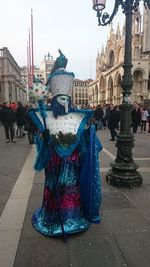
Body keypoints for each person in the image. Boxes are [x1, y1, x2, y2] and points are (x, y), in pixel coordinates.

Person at [28, 50, 102, 240]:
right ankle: (54, 217)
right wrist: (43, 137)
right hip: (55, 166)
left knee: (71, 188)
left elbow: (82, 142)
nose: (66, 103)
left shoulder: (76, 118)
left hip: (72, 166)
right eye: (62, 99)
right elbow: (41, 145)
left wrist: (88, 133)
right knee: (56, 189)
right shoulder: (46, 118)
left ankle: (72, 216)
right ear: (54, 100)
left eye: (67, 99)